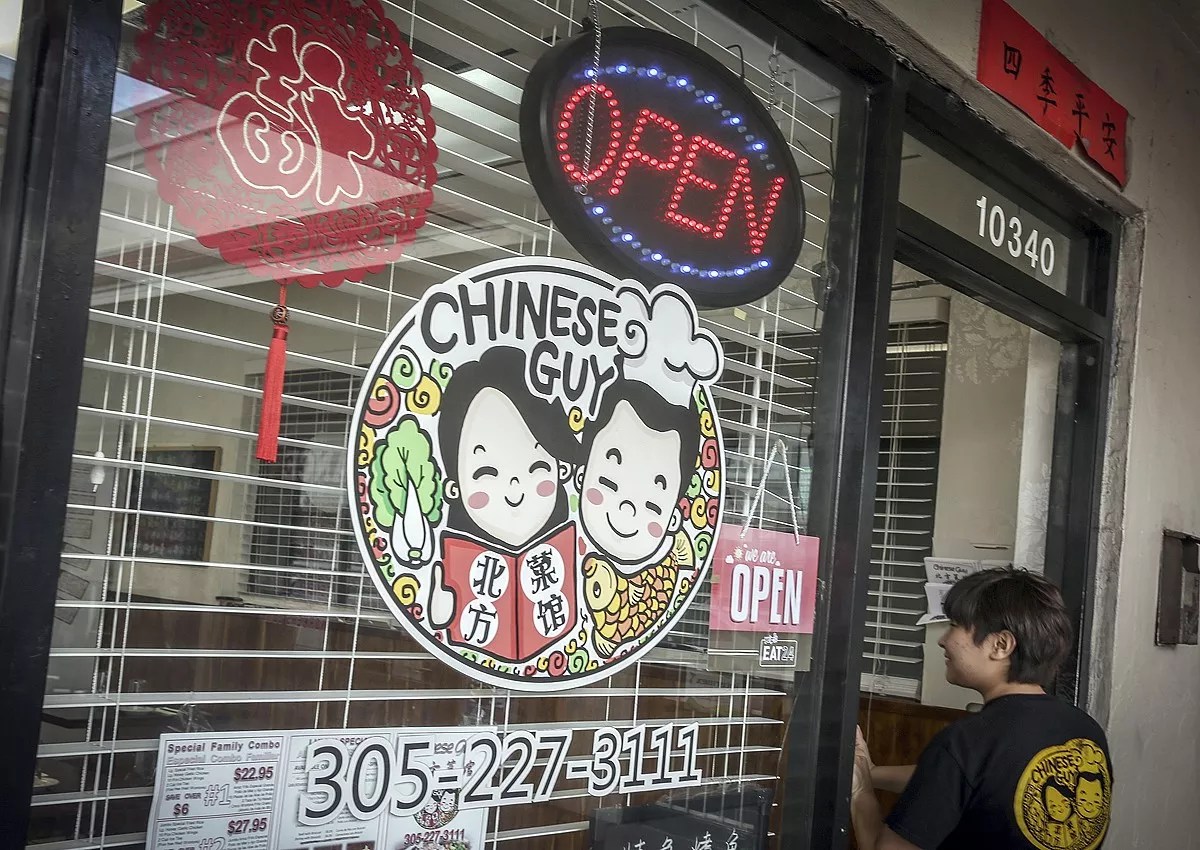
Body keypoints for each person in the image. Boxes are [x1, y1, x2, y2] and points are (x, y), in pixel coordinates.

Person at [852, 568, 1114, 850]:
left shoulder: (967, 741)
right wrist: (870, 772)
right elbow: (972, 782)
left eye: (954, 625)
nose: (943, 640)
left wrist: (859, 792)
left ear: (1001, 645)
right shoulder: (1086, 730)